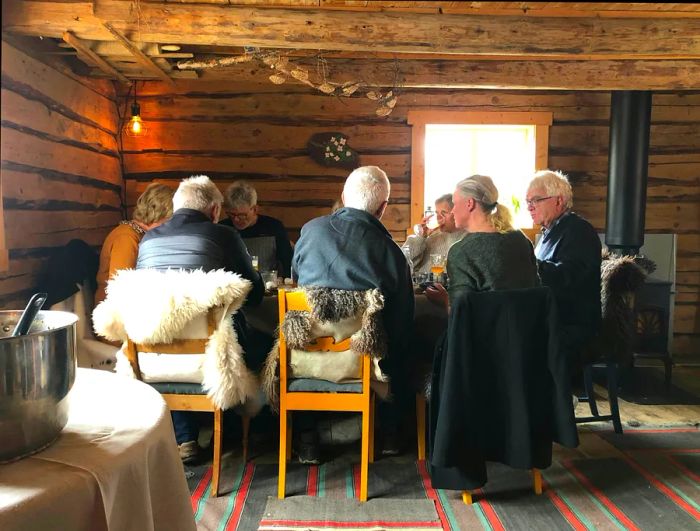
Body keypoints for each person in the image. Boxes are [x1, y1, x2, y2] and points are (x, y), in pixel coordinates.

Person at [136, 175, 267, 462]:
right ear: (215, 211)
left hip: (154, 360)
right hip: (212, 360)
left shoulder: (147, 240)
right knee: (258, 340)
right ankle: (237, 429)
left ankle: (186, 438)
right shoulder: (223, 236)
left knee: (175, 337)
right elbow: (255, 293)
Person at [292, 165, 415, 462]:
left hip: (306, 357)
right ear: (383, 208)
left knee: (303, 340)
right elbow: (402, 321)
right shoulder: (389, 251)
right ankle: (389, 434)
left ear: (344, 196)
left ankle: (307, 438)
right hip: (363, 361)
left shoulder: (310, 231)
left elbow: (296, 287)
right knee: (402, 343)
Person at [425, 175, 539, 310]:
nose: (453, 210)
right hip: (529, 329)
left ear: (470, 203)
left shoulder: (462, 252)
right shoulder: (521, 240)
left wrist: (444, 301)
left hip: (484, 330)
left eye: (455, 204)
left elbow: (460, 316)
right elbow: (537, 294)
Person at [526, 169, 601, 371]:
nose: (529, 207)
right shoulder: (549, 233)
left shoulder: (579, 230)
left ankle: (549, 399)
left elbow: (570, 279)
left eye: (535, 200)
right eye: (527, 202)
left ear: (558, 201)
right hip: (551, 317)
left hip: (571, 324)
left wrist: (526, 263)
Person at [95, 183, 174, 305]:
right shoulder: (127, 238)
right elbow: (120, 288)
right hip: (114, 314)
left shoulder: (139, 234)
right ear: (159, 213)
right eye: (171, 218)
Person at [220, 180, 294, 278]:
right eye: (231, 214)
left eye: (242, 215)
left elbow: (287, 262)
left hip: (267, 287)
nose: (236, 219)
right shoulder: (222, 229)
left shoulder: (273, 227)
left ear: (255, 209)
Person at [401, 193, 465, 275]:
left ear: (456, 213)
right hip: (420, 286)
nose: (439, 218)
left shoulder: (468, 240)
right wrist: (420, 237)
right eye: (437, 213)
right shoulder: (432, 238)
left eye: (444, 213)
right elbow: (402, 263)